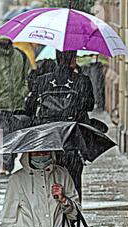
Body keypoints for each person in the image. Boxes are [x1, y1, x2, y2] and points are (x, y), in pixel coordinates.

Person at [25, 50, 95, 200]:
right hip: (72, 143)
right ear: (73, 59)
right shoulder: (82, 80)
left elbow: (29, 108)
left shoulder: (42, 80)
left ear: (56, 58)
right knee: (74, 185)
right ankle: (74, 216)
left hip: (49, 143)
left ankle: (51, 216)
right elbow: (89, 106)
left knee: (49, 183)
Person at [0, 36, 31, 175]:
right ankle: (5, 163)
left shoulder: (21, 56)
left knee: (17, 136)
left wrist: (23, 92)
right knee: (3, 135)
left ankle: (12, 161)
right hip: (0, 106)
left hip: (18, 105)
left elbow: (28, 76)